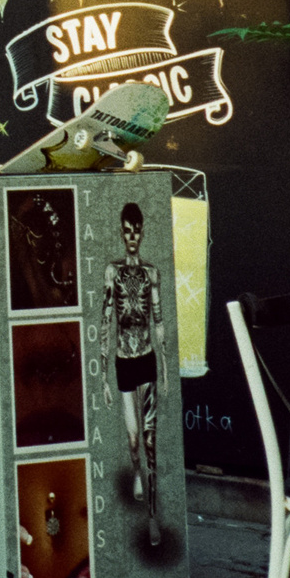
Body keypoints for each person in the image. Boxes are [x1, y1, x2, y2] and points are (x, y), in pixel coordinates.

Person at [102, 200, 164, 549]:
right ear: (122, 232)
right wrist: (104, 378)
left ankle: (153, 518)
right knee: (134, 439)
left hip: (147, 357)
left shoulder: (151, 273)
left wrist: (166, 366)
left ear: (142, 232)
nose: (132, 237)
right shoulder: (113, 271)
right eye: (127, 230)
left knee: (152, 439)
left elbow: (158, 319)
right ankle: (136, 470)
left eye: (136, 230)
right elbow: (106, 316)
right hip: (124, 359)